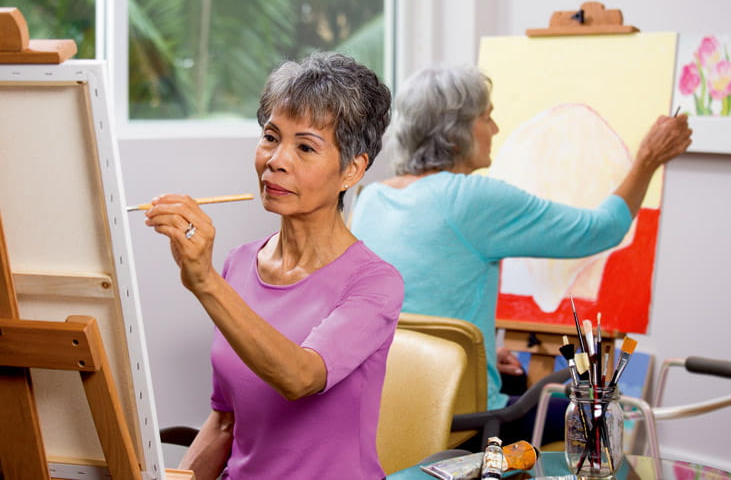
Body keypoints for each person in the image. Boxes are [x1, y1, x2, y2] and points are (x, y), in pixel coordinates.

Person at [351, 64, 692, 444]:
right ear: (457, 131)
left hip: (383, 412)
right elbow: (598, 230)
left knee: (517, 380)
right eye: (487, 116)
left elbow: (414, 306)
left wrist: (479, 354)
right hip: (460, 421)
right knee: (598, 420)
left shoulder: (371, 199)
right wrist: (648, 159)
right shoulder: (471, 198)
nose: (495, 129)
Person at [144, 52, 401, 479]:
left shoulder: (374, 284)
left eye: (305, 147)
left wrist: (204, 281)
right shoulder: (239, 263)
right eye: (270, 137)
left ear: (352, 170)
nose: (276, 160)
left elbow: (299, 376)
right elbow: (224, 422)